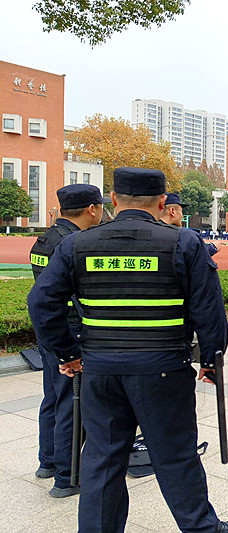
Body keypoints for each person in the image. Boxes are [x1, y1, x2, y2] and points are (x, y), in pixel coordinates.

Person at [27, 167, 228, 533]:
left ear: (113, 199)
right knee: (175, 455)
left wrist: (67, 354)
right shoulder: (184, 243)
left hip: (100, 372)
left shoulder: (77, 245)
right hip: (164, 370)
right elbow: (209, 311)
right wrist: (210, 360)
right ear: (162, 201)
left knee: (103, 460)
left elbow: (41, 303)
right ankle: (203, 529)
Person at [29, 184, 107, 498]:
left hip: (49, 329)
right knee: (72, 403)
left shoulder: (45, 239)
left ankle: (47, 462)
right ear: (92, 209)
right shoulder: (74, 243)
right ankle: (67, 476)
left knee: (53, 396)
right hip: (71, 329)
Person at [162, 192, 219, 257]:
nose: (182, 215)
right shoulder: (186, 236)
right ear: (172, 211)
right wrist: (212, 247)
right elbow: (196, 254)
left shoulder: (152, 232)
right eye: (181, 211)